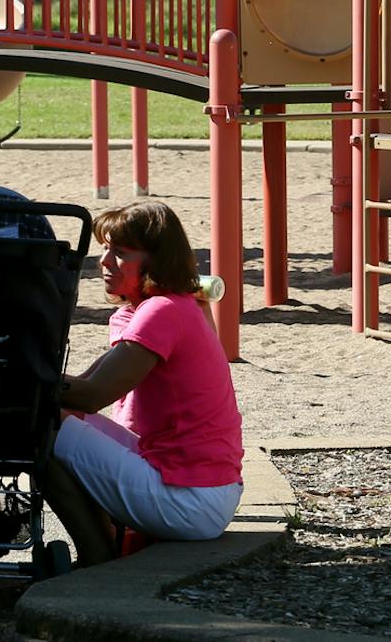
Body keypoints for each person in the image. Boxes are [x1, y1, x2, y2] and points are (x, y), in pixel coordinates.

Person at [42, 201, 242, 564]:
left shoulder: (161, 311)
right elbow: (85, 390)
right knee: (57, 416)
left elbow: (93, 395)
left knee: (39, 431)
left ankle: (97, 556)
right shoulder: (173, 305)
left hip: (191, 500)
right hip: (209, 491)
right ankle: (113, 544)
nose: (104, 262)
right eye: (105, 249)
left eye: (119, 253)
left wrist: (22, 379)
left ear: (155, 260)